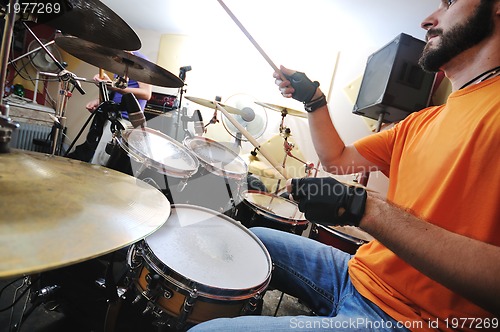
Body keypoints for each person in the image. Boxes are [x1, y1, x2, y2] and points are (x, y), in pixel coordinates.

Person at [190, 0, 500, 330]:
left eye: (449, 2)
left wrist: (362, 207)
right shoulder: (420, 121)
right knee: (248, 239)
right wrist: (314, 99)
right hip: (359, 272)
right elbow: (337, 160)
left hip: (416, 320)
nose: (427, 20)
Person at [67, 51, 152, 164]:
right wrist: (100, 100)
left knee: (100, 163)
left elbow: (146, 94)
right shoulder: (120, 62)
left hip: (125, 122)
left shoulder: (139, 60)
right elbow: (120, 91)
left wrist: (113, 87)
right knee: (95, 157)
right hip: (113, 117)